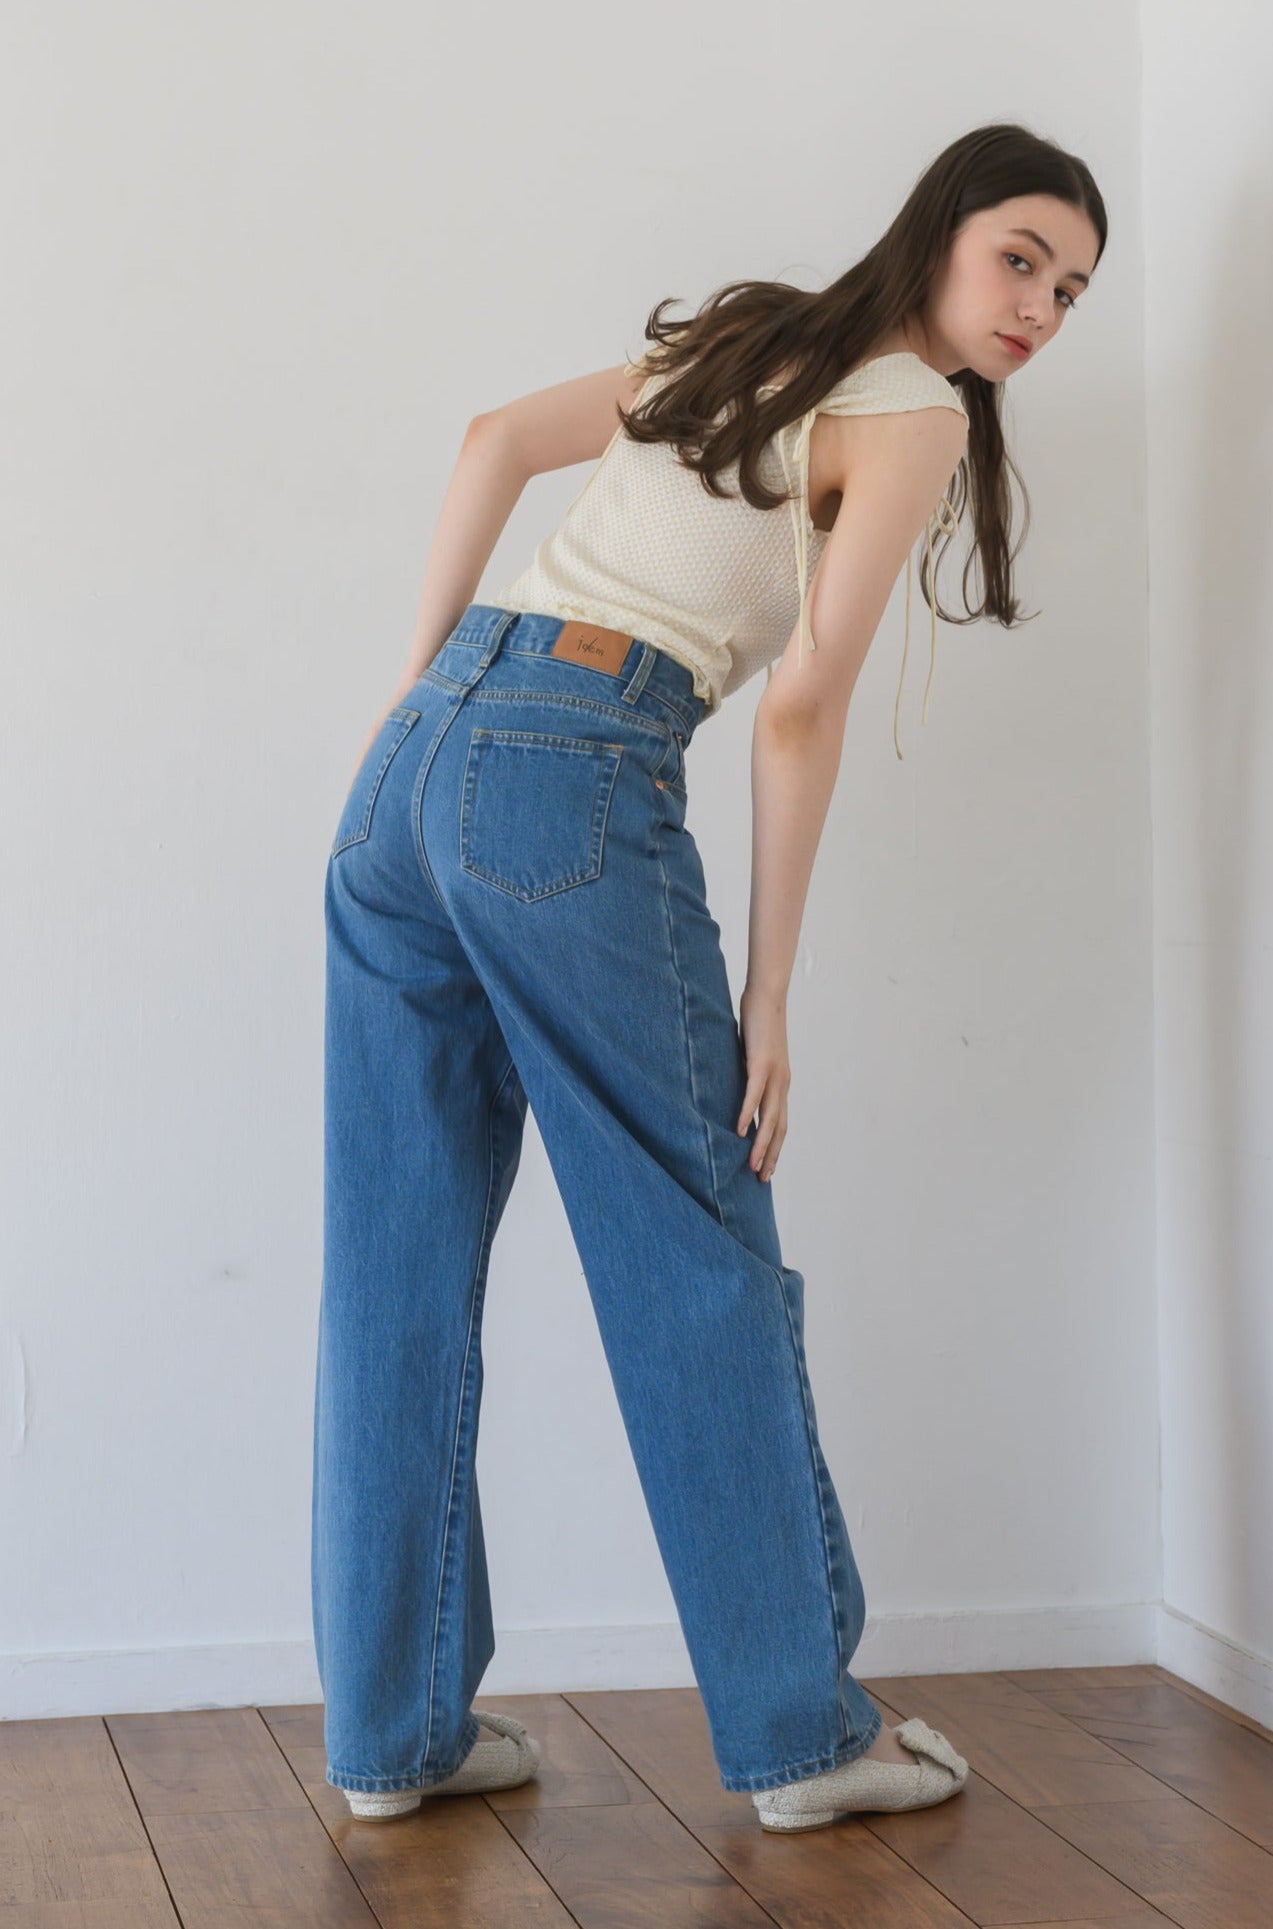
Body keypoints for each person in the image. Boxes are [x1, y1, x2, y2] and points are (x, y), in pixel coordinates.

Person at [311, 120, 1106, 1830]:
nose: (1040, 308)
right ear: (941, 231)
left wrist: (413, 689)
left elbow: (491, 439)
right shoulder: (909, 412)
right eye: (1021, 258)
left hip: (412, 770)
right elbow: (800, 706)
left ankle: (392, 1734)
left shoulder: (743, 336)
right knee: (697, 1258)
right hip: (574, 769)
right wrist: (772, 993)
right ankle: (801, 1736)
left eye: (1070, 290)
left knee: (393, 1263)